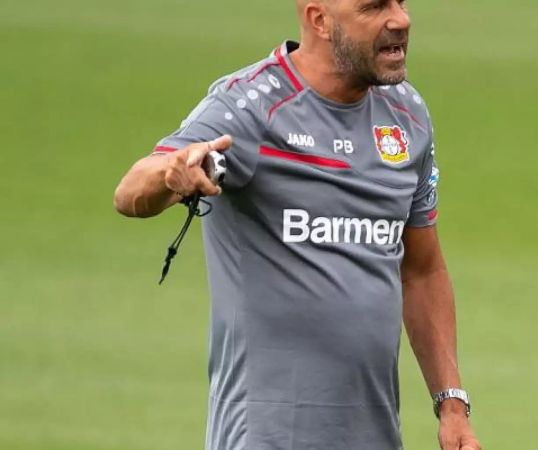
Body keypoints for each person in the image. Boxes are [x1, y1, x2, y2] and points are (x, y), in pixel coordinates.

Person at [113, 1, 481, 449]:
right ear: (319, 19)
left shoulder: (407, 115)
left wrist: (452, 405)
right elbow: (130, 191)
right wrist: (171, 173)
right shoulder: (248, 105)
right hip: (265, 438)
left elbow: (421, 270)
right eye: (374, 6)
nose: (400, 19)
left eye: (402, 2)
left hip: (375, 437)